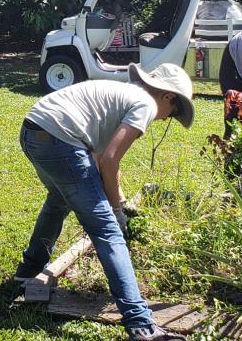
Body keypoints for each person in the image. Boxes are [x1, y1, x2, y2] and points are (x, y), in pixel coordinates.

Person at [13, 64, 195, 341]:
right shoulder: (145, 104)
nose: (166, 118)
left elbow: (101, 159)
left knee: (59, 199)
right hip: (60, 139)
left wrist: (118, 201)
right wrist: (115, 213)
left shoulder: (122, 94)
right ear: (168, 97)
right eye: (174, 112)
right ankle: (140, 325)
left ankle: (29, 271)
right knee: (108, 232)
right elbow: (110, 159)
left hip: (33, 131)